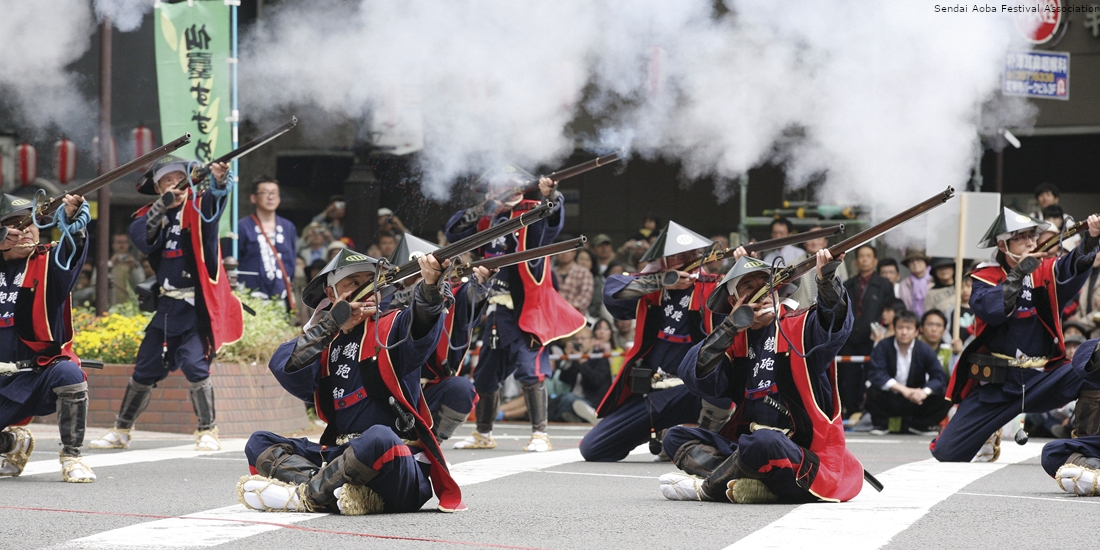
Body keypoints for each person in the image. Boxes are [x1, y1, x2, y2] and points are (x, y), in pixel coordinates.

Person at [237, 248, 467, 514]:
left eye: (372, 282)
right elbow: (286, 366)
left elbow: (421, 322)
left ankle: (302, 497)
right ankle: (333, 493)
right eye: (354, 284)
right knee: (259, 442)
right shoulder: (324, 338)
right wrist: (331, 324)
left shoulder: (392, 325)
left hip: (392, 462)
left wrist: (429, 287)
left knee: (380, 438)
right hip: (340, 454)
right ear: (332, 295)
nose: (367, 290)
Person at [658, 250, 863, 504]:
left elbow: (833, 322)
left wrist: (826, 280)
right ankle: (747, 479)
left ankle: (710, 488)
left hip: (799, 454)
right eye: (749, 286)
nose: (762, 293)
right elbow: (695, 376)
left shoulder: (799, 327)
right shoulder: (734, 341)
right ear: (734, 301)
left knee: (763, 442)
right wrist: (730, 326)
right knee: (675, 436)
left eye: (767, 285)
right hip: (748, 447)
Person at [90, 155, 243, 452]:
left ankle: (208, 430)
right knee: (144, 367)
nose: (173, 184)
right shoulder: (148, 215)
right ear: (158, 187)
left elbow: (215, 202)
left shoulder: (198, 206)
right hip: (167, 308)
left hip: (196, 308)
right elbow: (144, 239)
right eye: (166, 181)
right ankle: (121, 430)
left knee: (195, 364)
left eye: (179, 178)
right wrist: (162, 207)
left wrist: (220, 180)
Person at [932, 207, 1100, 463]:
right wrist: (1019, 273)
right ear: (1003, 244)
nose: (1031, 242)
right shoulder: (984, 277)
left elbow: (1073, 266)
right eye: (1021, 237)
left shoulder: (1046, 270)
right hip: (998, 383)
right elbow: (994, 311)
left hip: (1043, 376)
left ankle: (1086, 450)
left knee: (1092, 371)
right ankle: (991, 430)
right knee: (947, 453)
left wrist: (1091, 238)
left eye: (1033, 236)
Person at [446, 165, 584, 452]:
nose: (502, 190)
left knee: (530, 370)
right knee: (485, 374)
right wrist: (483, 207)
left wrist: (551, 195)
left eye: (508, 184)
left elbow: (551, 221)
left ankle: (540, 434)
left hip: (525, 307)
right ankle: (483, 433)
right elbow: (454, 232)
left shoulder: (532, 209)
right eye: (496, 186)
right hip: (495, 307)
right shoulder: (486, 217)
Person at [581, 221, 728, 462]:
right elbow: (612, 289)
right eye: (678, 256)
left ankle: (693, 436)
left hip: (695, 392)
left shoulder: (713, 285)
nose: (687, 260)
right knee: (593, 448)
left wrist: (746, 267)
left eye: (692, 254)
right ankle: (668, 433)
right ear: (664, 261)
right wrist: (661, 281)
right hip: (654, 392)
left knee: (717, 382)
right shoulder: (650, 287)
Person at [0, 193, 97, 483]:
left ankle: (72, 457)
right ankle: (13, 444)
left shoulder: (48, 261)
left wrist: (70, 219)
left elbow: (69, 250)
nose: (25, 230)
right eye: (14, 225)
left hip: (38, 373)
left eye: (30, 223)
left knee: (68, 371)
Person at [382, 232, 491, 442]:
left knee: (461, 390)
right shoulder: (383, 298)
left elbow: (468, 298)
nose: (421, 278)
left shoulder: (447, 293)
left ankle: (429, 444)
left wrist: (480, 283)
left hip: (427, 390)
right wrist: (421, 292)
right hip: (387, 390)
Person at [865, 311, 951, 435]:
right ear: (894, 328)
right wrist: (903, 390)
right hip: (891, 397)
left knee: (946, 394)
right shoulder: (883, 346)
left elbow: (939, 377)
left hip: (917, 399)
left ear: (917, 331)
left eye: (909, 328)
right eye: (900, 327)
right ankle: (882, 424)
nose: (904, 332)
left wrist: (924, 392)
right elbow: (876, 374)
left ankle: (921, 425)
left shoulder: (924, 350)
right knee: (872, 390)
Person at [838, 244, 895, 419]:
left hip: (874, 338)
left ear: (875, 260)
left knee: (872, 375)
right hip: (849, 338)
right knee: (848, 376)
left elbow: (890, 310)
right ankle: (850, 409)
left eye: (868, 256)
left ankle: (870, 411)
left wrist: (883, 330)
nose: (864, 259)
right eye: (861, 256)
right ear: (855, 261)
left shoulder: (884, 284)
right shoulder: (847, 284)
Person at [237, 175, 297, 310]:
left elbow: (292, 260)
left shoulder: (288, 227)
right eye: (265, 193)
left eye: (274, 193)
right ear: (253, 198)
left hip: (280, 297)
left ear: (279, 198)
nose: (270, 197)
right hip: (250, 298)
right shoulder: (242, 226)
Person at [553, 327, 611, 424]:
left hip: (592, 402)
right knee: (558, 401)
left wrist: (582, 361)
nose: (579, 342)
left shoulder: (600, 358)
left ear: (592, 341)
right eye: (576, 339)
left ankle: (590, 414)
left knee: (568, 398)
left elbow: (595, 381)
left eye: (583, 339)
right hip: (572, 399)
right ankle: (579, 418)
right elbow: (564, 379)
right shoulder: (575, 357)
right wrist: (569, 360)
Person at [790, 225, 847, 306]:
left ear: (825, 242)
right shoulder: (794, 265)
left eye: (818, 238)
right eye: (811, 238)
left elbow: (844, 288)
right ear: (804, 242)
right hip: (803, 314)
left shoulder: (837, 261)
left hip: (829, 311)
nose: (814, 242)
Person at [554, 243, 594, 314]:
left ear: (574, 253)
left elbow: (585, 298)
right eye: (561, 251)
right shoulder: (551, 273)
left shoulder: (584, 272)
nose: (564, 254)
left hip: (577, 316)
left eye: (567, 250)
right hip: (554, 315)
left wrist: (565, 309)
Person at [109, 233, 144, 306]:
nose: (122, 245)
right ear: (113, 245)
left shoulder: (134, 263)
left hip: (129, 306)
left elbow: (141, 285)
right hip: (110, 306)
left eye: (125, 242)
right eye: (119, 242)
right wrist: (110, 265)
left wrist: (133, 269)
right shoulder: (104, 263)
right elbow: (95, 284)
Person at [897, 248, 932, 317]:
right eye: (911, 261)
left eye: (919, 260)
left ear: (925, 262)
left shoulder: (934, 280)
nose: (915, 264)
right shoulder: (904, 284)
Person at [919, 309, 953, 373]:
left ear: (944, 330)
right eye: (930, 324)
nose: (934, 329)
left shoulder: (948, 351)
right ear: (921, 328)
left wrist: (956, 354)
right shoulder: (913, 348)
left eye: (938, 325)